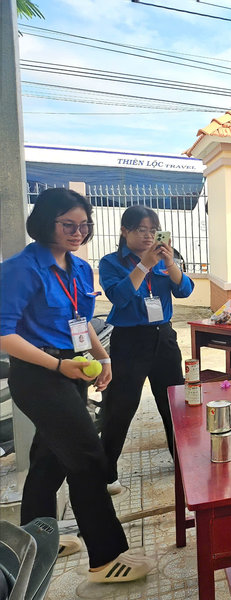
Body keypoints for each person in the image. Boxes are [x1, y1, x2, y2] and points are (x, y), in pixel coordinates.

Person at [0, 188, 154, 583]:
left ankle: (36, 537)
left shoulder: (80, 269)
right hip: (38, 374)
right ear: (45, 222)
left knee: (51, 454)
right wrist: (58, 365)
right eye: (68, 225)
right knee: (88, 457)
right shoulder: (20, 269)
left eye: (84, 226)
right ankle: (106, 558)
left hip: (74, 366)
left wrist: (102, 358)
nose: (78, 233)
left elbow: (80, 322)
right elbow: (4, 334)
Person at [98, 206, 194, 495]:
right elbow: (119, 297)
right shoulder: (111, 262)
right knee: (120, 406)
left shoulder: (165, 260)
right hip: (129, 340)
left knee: (174, 403)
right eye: (141, 229)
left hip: (163, 338)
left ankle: (182, 461)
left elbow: (185, 290)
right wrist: (143, 266)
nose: (149, 235)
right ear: (124, 231)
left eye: (153, 230)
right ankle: (105, 473)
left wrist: (170, 263)